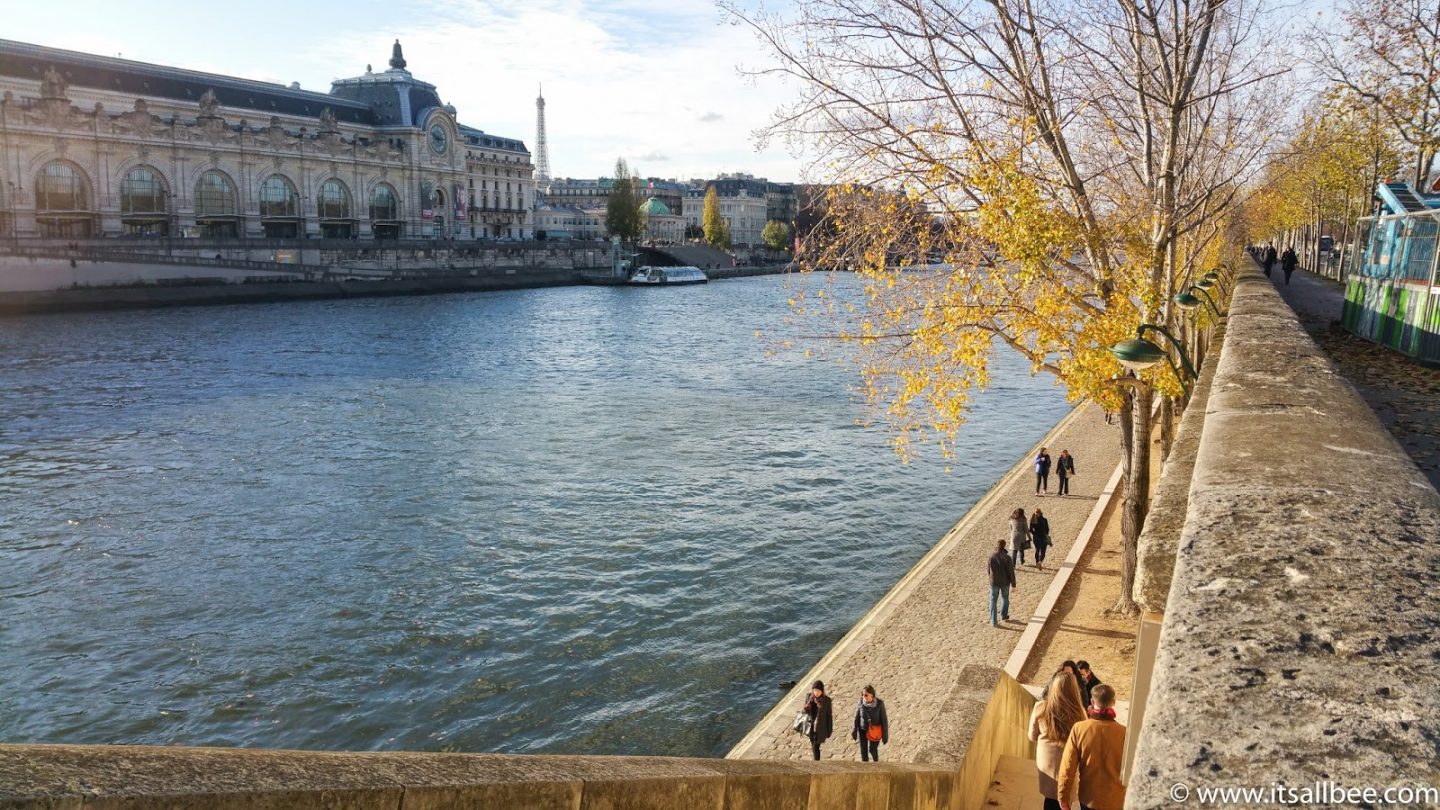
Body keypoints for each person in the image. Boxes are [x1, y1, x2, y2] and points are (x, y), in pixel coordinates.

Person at [1057, 684, 1127, 810]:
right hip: (1117, 800)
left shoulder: (1080, 729)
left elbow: (1068, 767)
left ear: (1092, 701)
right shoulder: (1125, 733)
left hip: (1089, 798)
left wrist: (1063, 797)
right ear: (1114, 702)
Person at [1029, 671, 1087, 810]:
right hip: (1069, 767)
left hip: (1048, 766)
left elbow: (1031, 736)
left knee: (1050, 801)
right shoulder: (1081, 713)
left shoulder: (1040, 707)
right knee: (1065, 800)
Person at [850, 684, 889, 761]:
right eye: (862, 694)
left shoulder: (880, 704)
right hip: (863, 729)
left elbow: (884, 720)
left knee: (872, 750)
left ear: (872, 695)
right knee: (863, 752)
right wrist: (854, 730)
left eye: (866, 695)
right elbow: (856, 717)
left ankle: (876, 763)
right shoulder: (860, 703)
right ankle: (865, 768)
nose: (863, 697)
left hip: (875, 731)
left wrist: (885, 735)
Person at [802, 679, 834, 760]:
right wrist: (806, 709)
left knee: (816, 747)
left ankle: (816, 763)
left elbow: (829, 716)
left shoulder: (827, 701)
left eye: (818, 691)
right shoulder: (809, 697)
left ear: (822, 691)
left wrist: (829, 730)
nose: (816, 693)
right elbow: (804, 712)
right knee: (813, 745)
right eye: (815, 690)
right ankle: (816, 761)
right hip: (810, 726)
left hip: (820, 728)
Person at [988, 538, 1017, 627]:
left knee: (993, 600)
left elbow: (988, 570)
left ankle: (993, 620)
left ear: (997, 546)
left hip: (994, 582)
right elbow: (1011, 572)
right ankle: (1004, 615)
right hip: (1005, 582)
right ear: (1004, 546)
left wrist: (991, 578)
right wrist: (1013, 584)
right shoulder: (1007, 557)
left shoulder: (991, 556)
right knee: (1005, 597)